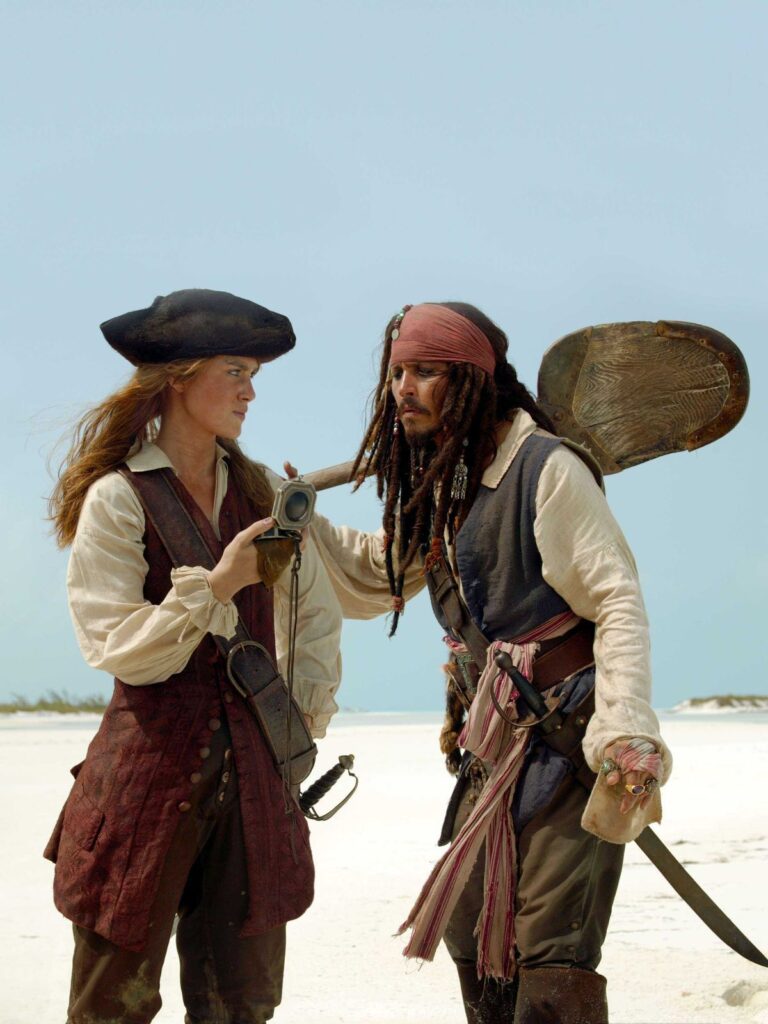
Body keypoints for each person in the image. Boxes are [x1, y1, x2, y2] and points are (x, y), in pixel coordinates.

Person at [309, 302, 672, 1024]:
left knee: (551, 946)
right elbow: (381, 571)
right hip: (494, 744)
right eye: (398, 373)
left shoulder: (548, 468)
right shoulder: (445, 480)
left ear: (472, 381)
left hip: (569, 739)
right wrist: (297, 521)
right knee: (470, 923)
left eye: (425, 372)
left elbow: (617, 599)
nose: (403, 389)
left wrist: (625, 729)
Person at [45, 288, 342, 1024]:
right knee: (111, 1008)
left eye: (253, 376)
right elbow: (118, 647)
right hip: (144, 784)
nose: (249, 393)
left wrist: (298, 720)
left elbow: (315, 616)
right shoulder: (117, 498)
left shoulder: (263, 493)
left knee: (242, 1006)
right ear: (179, 378)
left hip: (253, 792)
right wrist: (218, 584)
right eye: (234, 372)